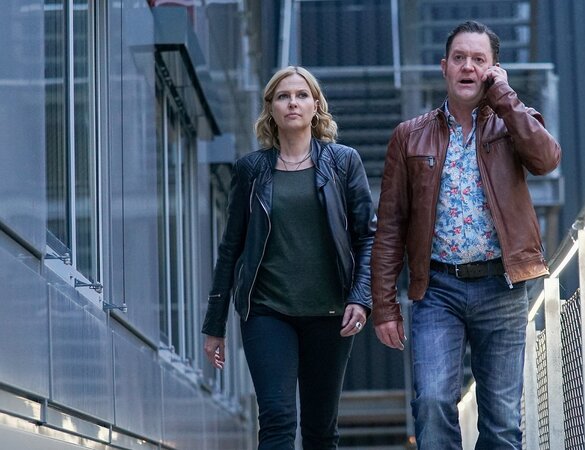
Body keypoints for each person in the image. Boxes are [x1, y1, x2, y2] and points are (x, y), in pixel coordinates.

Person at [371, 20, 561, 449]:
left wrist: (505, 97)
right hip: (438, 289)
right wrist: (384, 306)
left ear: (494, 70)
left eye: (479, 60)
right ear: (444, 67)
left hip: (503, 287)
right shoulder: (409, 136)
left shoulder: (513, 122)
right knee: (432, 403)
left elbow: (547, 159)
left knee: (502, 421)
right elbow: (390, 226)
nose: (468, 67)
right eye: (459, 58)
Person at [202, 65, 376, 449]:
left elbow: (368, 237)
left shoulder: (343, 162)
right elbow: (231, 248)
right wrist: (215, 325)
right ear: (271, 108)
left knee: (320, 429)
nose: (292, 103)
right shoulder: (251, 170)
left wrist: (361, 298)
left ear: (316, 106)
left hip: (330, 313)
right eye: (283, 96)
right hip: (267, 312)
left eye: (301, 95)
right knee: (277, 419)